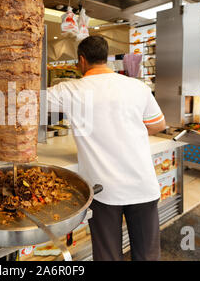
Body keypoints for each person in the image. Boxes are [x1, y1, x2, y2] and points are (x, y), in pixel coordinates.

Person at [47, 36, 166, 261]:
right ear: (106, 58)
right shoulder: (136, 86)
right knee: (148, 255)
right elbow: (158, 124)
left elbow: (26, 101)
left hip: (104, 191)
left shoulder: (70, 90)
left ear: (82, 60)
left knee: (107, 255)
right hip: (142, 185)